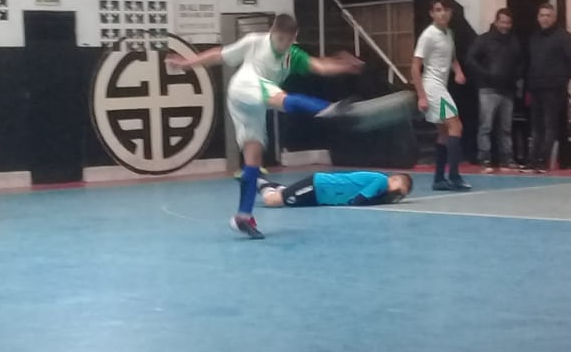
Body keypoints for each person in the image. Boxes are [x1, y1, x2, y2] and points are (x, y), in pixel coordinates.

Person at [165, 14, 363, 240]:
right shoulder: (254, 42)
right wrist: (187, 63)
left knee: (254, 157)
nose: (282, 45)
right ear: (271, 33)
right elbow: (218, 55)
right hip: (244, 88)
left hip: (255, 105)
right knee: (281, 97)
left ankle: (243, 216)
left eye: (288, 41)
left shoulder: (293, 55)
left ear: (294, 38)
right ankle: (328, 109)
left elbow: (320, 66)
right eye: (279, 39)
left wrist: (343, 66)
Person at [413, 0, 470, 191]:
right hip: (432, 87)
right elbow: (415, 67)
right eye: (438, 10)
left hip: (441, 86)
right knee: (456, 126)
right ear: (432, 13)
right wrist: (421, 96)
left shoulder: (449, 33)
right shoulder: (428, 35)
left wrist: (458, 72)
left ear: (451, 12)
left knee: (444, 134)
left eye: (445, 10)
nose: (442, 13)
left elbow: (452, 58)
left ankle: (438, 179)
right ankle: (454, 176)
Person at [464, 7, 522, 172]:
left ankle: (507, 158)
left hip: (507, 90)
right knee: (486, 127)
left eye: (508, 23)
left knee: (506, 128)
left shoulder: (514, 41)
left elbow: (520, 62)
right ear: (496, 22)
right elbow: (470, 59)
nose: (505, 26)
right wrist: (486, 74)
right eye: (502, 22)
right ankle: (485, 159)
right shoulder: (484, 40)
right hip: (488, 89)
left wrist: (516, 76)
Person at [526, 2, 571, 173]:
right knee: (536, 127)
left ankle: (543, 160)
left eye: (548, 15)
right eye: (542, 15)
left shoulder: (564, 37)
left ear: (554, 18)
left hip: (554, 89)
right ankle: (532, 161)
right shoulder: (534, 37)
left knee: (550, 126)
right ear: (537, 18)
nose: (545, 19)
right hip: (536, 87)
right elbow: (530, 62)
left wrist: (561, 79)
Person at [258, 171, 413, 208]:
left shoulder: (380, 188)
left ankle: (271, 184)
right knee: (272, 200)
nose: (396, 195)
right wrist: (380, 201)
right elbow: (358, 201)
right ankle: (258, 181)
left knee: (286, 194)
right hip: (319, 186)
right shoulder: (381, 181)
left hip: (320, 196)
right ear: (394, 179)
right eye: (399, 190)